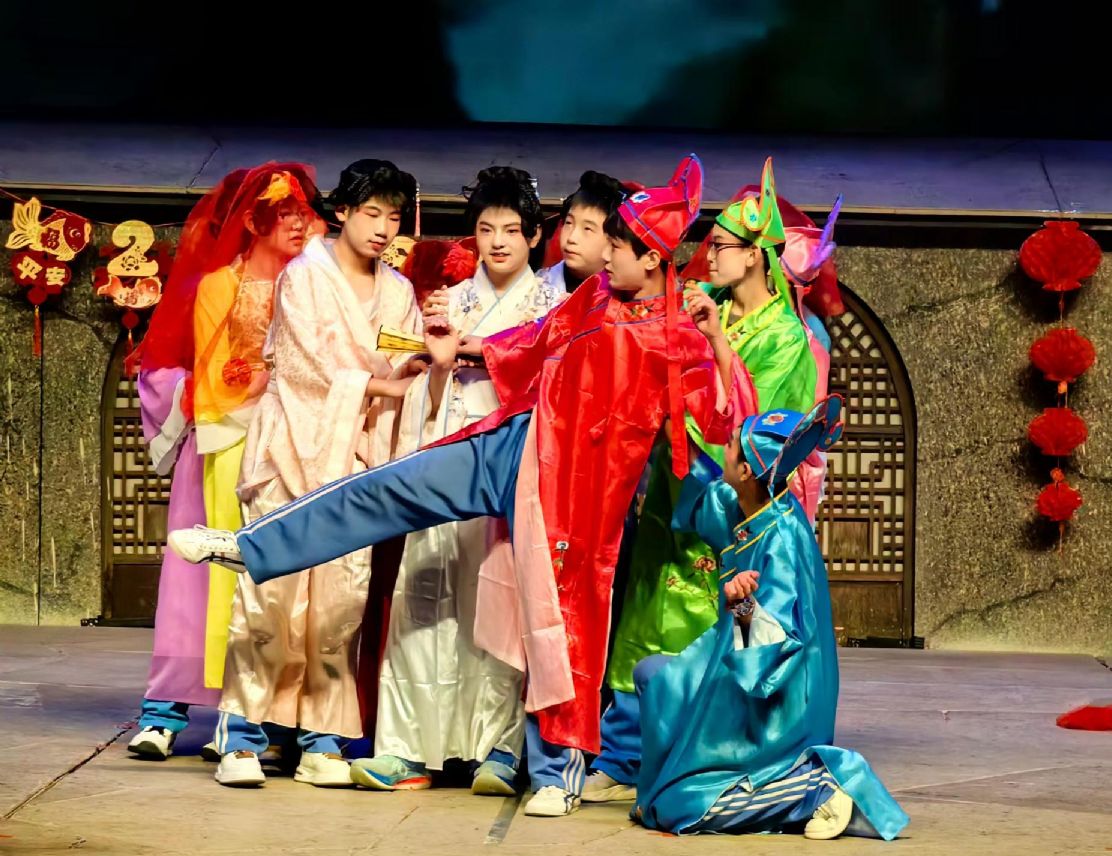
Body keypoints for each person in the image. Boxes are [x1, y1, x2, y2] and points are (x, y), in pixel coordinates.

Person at [168, 155, 756, 816]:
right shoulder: (594, 295)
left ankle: (555, 772)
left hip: (577, 496)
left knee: (559, 629)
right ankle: (253, 546)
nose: (603, 255)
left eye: (615, 245)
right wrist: (458, 349)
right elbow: (533, 340)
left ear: (650, 259)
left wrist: (717, 341)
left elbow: (727, 421)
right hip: (516, 443)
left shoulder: (679, 336)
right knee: (393, 487)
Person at [586, 159, 821, 801]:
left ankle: (693, 757)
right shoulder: (704, 306)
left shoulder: (786, 338)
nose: (708, 256)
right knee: (645, 611)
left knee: (706, 625)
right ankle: (623, 753)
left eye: (720, 247)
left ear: (755, 256)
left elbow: (757, 429)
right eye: (709, 245)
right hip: (673, 486)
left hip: (726, 502)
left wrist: (706, 363)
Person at [210, 159, 425, 788]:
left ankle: (322, 739)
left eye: (393, 216)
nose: (382, 228)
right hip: (288, 450)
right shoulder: (304, 276)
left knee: (340, 599)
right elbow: (307, 368)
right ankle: (243, 735)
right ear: (342, 212)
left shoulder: (399, 292)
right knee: (270, 595)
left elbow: (402, 354)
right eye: (371, 213)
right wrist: (384, 385)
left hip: (354, 455)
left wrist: (424, 356)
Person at [352, 167, 558, 795]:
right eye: (487, 229)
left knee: (495, 602)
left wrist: (483, 357)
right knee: (426, 593)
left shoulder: (549, 307)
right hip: (444, 454)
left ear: (534, 236)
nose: (498, 242)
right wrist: (440, 368)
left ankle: (499, 748)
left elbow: (548, 395)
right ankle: (407, 748)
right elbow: (422, 386)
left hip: (504, 465)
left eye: (512, 230)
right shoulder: (449, 300)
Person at [634, 402, 908, 840]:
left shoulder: (781, 540)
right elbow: (705, 494)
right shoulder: (749, 505)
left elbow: (772, 649)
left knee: (681, 805)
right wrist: (674, 441)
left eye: (729, 445)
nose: (723, 449)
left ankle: (814, 788)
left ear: (746, 470)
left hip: (778, 703)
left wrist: (742, 604)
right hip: (739, 672)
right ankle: (676, 777)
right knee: (653, 677)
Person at [127, 163, 322, 761]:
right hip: (223, 440)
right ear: (254, 222)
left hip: (294, 443)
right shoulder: (219, 284)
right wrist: (267, 381)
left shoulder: (315, 281)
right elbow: (214, 374)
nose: (298, 224)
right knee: (196, 577)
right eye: (284, 214)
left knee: (279, 583)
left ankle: (262, 718)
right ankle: (164, 711)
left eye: (302, 213)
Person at [537, 170, 628, 296]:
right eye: (569, 223)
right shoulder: (537, 286)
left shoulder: (624, 292)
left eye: (587, 229)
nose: (572, 238)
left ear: (614, 239)